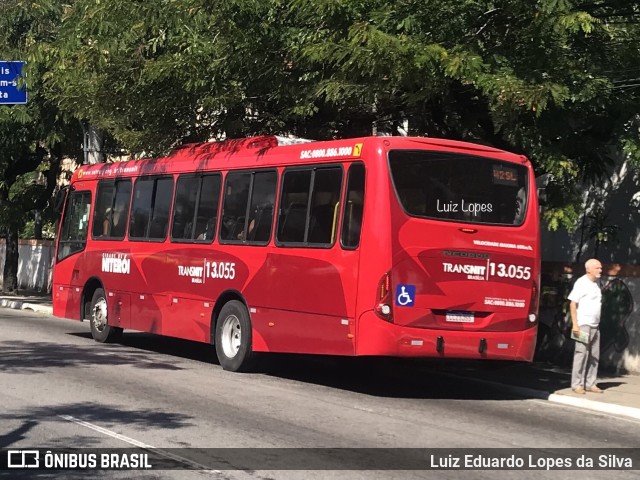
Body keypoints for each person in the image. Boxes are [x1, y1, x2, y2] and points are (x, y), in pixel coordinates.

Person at [568, 258, 604, 394]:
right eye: (597, 268)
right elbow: (572, 303)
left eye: (600, 268)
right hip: (583, 325)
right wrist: (575, 325)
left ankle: (590, 383)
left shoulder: (596, 284)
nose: (600, 270)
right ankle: (577, 384)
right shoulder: (581, 283)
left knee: (594, 355)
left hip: (595, 325)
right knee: (581, 354)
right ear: (588, 269)